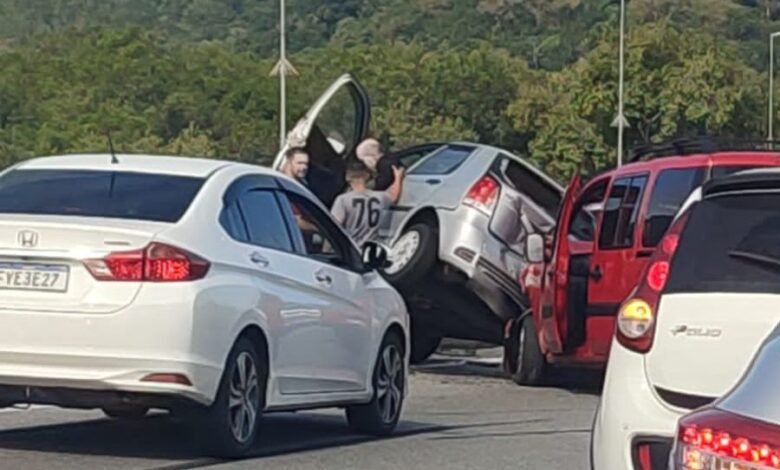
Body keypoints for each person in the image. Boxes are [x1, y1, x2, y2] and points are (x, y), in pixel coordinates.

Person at [331, 160, 405, 248]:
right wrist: (398, 178)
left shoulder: (342, 199)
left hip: (350, 247)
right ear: (367, 176)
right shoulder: (380, 197)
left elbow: (334, 225)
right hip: (372, 247)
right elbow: (394, 195)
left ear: (347, 178)